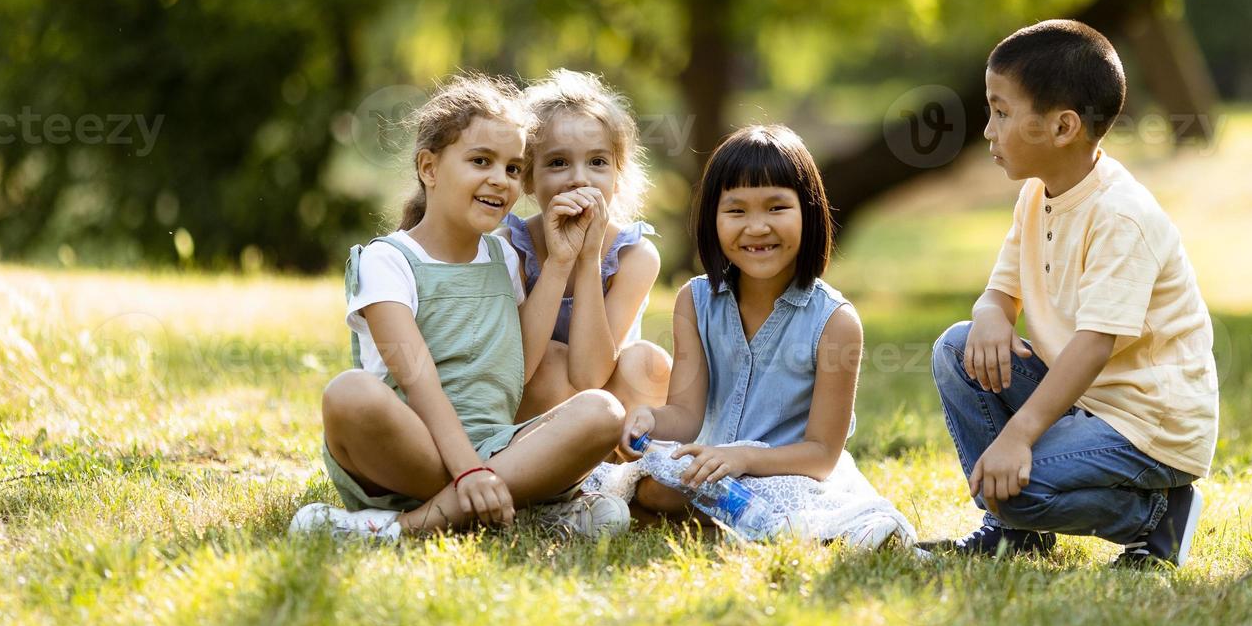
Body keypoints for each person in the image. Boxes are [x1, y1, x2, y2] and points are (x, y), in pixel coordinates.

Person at [920, 20, 1218, 568]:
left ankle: (1160, 518)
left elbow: (1094, 345)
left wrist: (1019, 436)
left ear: (1062, 128)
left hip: (1147, 423)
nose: (987, 130)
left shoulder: (1120, 215)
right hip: (1084, 404)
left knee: (1007, 486)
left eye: (1002, 112)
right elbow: (1000, 292)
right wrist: (989, 313)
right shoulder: (1039, 194)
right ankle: (1016, 534)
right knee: (955, 348)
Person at [289, 73, 629, 542]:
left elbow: (519, 369)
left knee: (604, 412)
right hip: (410, 451)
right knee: (349, 394)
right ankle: (520, 505)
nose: (500, 180)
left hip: (494, 448)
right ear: (429, 168)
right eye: (481, 161)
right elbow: (418, 380)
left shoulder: (503, 258)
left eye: (513, 168)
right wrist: (469, 472)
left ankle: (409, 527)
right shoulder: (387, 261)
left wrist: (561, 262)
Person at [621, 125, 864, 516]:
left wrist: (745, 459)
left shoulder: (835, 322)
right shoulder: (695, 301)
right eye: (736, 210)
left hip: (789, 473)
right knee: (652, 490)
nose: (757, 227)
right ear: (712, 220)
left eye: (777, 207)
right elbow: (685, 415)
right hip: (711, 468)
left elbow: (821, 456)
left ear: (809, 211)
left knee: (793, 511)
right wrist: (651, 417)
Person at [503, 69, 671, 422]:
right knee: (550, 359)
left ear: (617, 176)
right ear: (529, 177)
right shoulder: (510, 248)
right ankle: (555, 461)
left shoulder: (635, 256)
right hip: (536, 399)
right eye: (558, 163)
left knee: (647, 362)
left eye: (597, 162)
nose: (579, 178)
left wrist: (589, 258)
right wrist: (558, 262)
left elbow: (590, 377)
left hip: (607, 398)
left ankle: (617, 461)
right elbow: (515, 371)